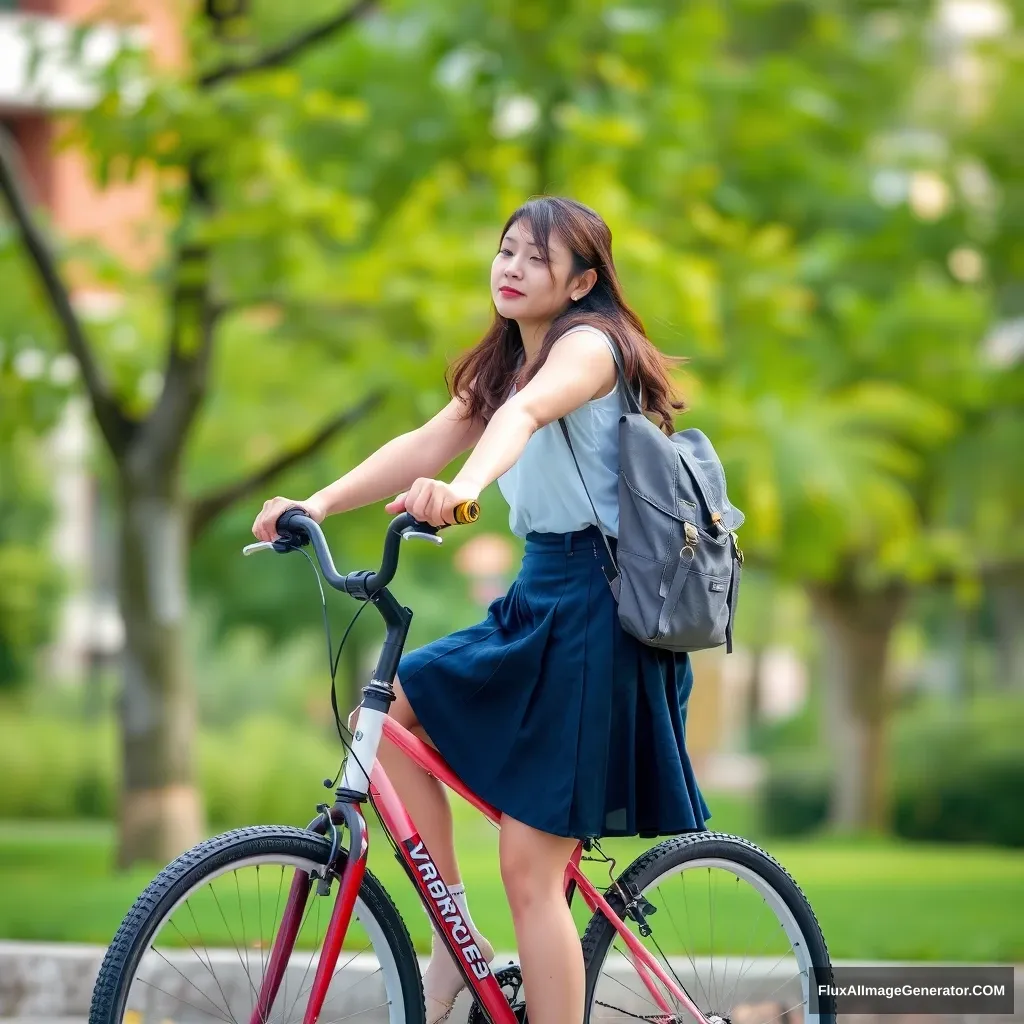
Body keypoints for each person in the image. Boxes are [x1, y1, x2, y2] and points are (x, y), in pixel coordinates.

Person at [252, 196, 710, 1024]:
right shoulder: (508, 359)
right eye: (505, 250)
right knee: (398, 712)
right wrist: (316, 503)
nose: (511, 267)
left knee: (530, 871)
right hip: (538, 596)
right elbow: (429, 439)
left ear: (583, 281)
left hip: (600, 616)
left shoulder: (591, 349)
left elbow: (524, 417)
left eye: (537, 258)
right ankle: (454, 942)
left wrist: (463, 491)